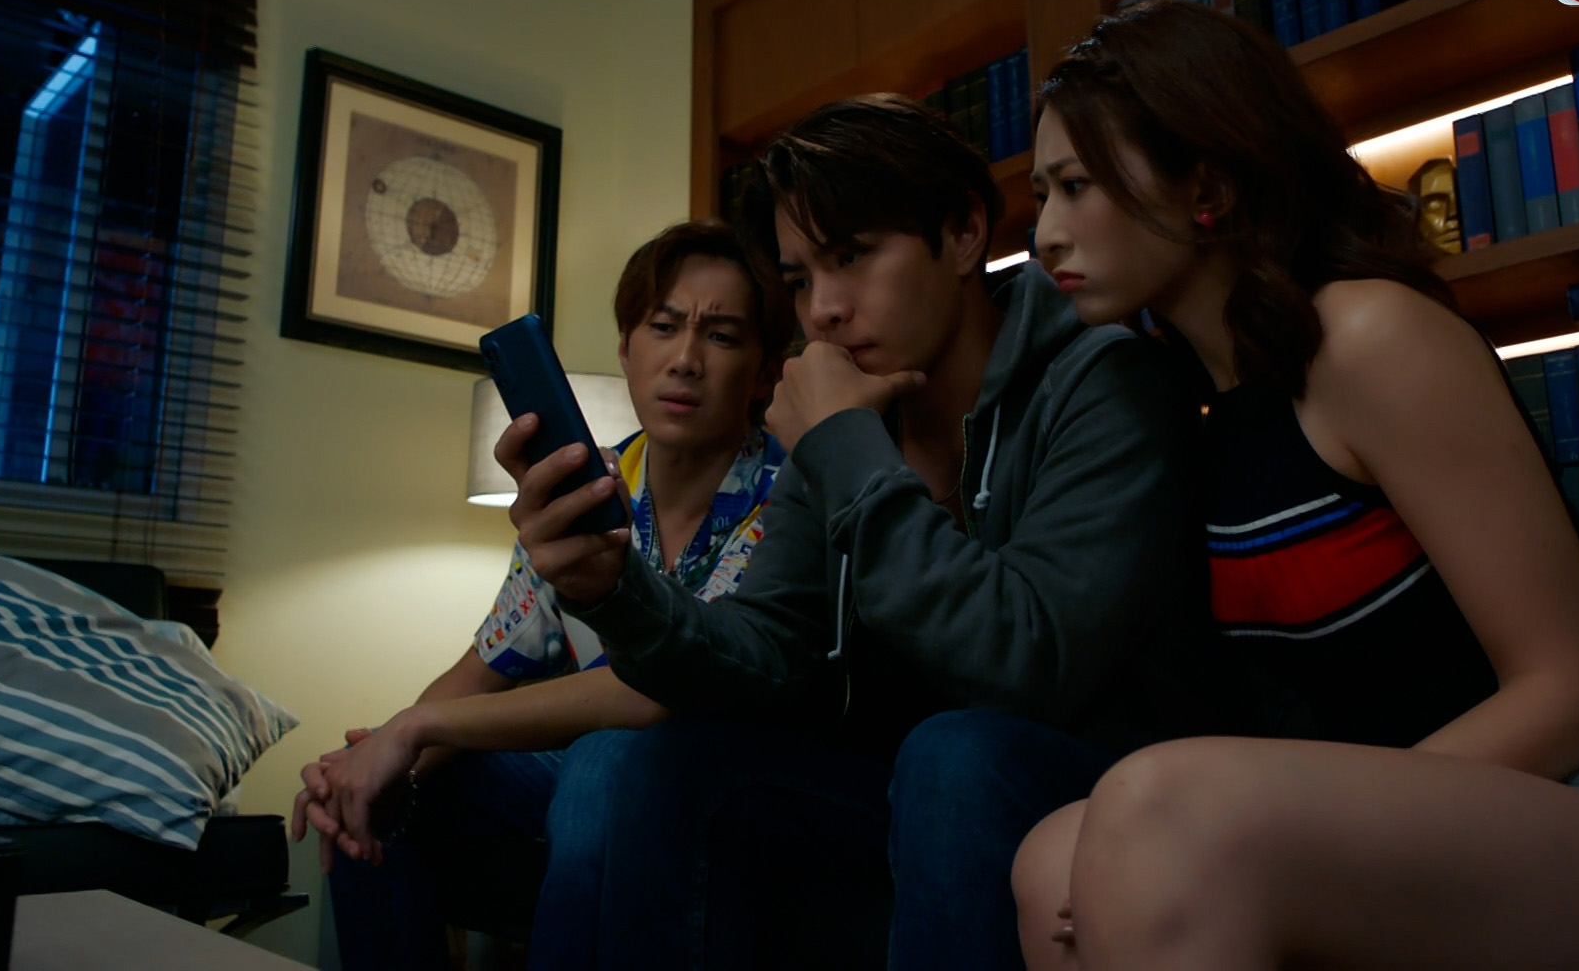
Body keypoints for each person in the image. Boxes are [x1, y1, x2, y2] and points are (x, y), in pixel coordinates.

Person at [1010, 0, 1579, 969]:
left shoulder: (1368, 335)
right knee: (1054, 855)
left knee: (1160, 808)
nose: (1045, 236)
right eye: (1040, 195)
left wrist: (1310, 836)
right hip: (1425, 816)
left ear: (1206, 187)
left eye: (1074, 186)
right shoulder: (1196, 407)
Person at [493, 94, 1231, 969]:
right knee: (655, 762)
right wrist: (613, 592)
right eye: (801, 279)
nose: (824, 312)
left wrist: (845, 447)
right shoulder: (847, 415)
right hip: (890, 796)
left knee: (955, 754)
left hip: (1092, 788)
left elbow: (1029, 665)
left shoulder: (1103, 379)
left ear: (963, 234)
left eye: (851, 257)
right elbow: (766, 649)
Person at [292, 219, 794, 970]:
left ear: (762, 372)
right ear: (626, 350)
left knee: (601, 763)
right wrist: (374, 759)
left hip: (728, 775)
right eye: (663, 328)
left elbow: (652, 692)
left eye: (720, 336)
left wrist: (417, 728)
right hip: (603, 767)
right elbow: (485, 665)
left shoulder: (785, 496)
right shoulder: (586, 488)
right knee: (374, 791)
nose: (685, 359)